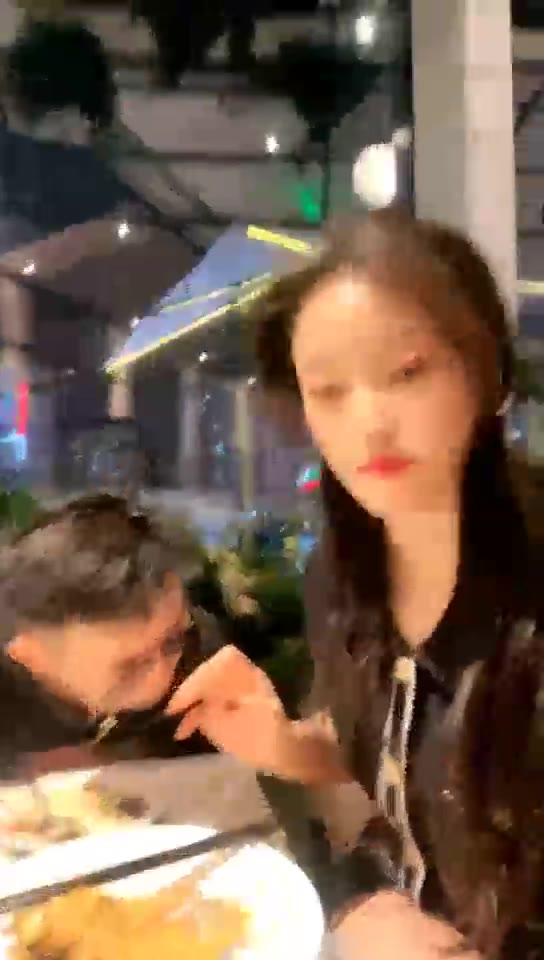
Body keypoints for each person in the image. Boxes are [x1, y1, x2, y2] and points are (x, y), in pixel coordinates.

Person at [166, 210, 544, 959]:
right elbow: (389, 744)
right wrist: (286, 744)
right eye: (329, 390)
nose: (369, 423)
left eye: (408, 373)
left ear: (487, 373)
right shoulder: (343, 576)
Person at [0, 494, 224, 777]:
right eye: (130, 667)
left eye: (171, 642)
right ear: (30, 656)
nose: (161, 679)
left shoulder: (201, 655)